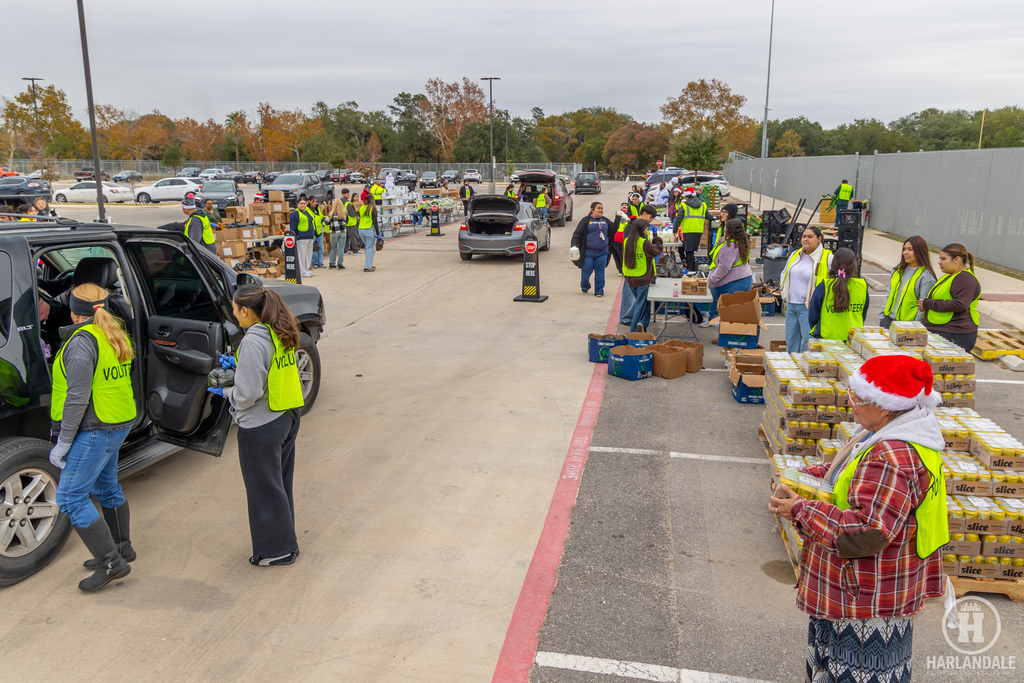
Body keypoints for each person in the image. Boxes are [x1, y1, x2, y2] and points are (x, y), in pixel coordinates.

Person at [770, 354, 946, 683]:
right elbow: (845, 475)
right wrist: (803, 479)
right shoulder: (879, 432)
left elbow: (868, 532)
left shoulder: (891, 456)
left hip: (865, 597)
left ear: (885, 405)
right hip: (868, 589)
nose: (851, 404)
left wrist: (801, 509)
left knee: (857, 672)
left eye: (857, 399)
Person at [49, 283, 137, 591]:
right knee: (106, 485)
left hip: (95, 428)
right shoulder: (113, 333)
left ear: (74, 313)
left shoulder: (80, 344)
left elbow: (76, 398)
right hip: (118, 420)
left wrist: (63, 441)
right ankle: (121, 547)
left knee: (71, 497)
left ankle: (111, 563)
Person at [211, 284, 304, 567]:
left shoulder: (252, 340)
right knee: (278, 485)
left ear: (245, 311)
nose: (233, 313)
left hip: (261, 425)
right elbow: (268, 371)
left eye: (235, 308)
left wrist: (226, 391)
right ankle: (287, 543)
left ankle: (276, 551)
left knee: (263, 490)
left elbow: (248, 394)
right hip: (286, 415)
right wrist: (240, 366)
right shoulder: (280, 329)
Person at [918, 243, 981, 352]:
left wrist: (928, 304)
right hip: (943, 331)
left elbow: (960, 304)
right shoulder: (950, 276)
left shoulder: (965, 279)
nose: (939, 262)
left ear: (957, 259)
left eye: (943, 259)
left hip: (955, 334)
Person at [780, 226, 834, 353]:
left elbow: (834, 281)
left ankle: (803, 368)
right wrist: (783, 289)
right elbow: (784, 272)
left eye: (810, 237)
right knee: (791, 340)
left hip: (809, 308)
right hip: (791, 305)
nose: (806, 239)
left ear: (819, 239)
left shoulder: (827, 257)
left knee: (807, 341)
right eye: (804, 236)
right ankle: (792, 369)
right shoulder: (795, 254)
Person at [809, 247, 869, 340]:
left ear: (834, 264)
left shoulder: (825, 286)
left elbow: (813, 316)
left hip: (826, 337)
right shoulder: (862, 285)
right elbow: (863, 314)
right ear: (854, 265)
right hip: (853, 338)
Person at [880, 236, 937, 328]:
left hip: (909, 325)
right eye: (904, 249)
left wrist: (915, 325)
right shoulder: (898, 270)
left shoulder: (926, 276)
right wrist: (882, 315)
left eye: (910, 249)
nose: (905, 252)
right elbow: (889, 293)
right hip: (888, 320)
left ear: (920, 251)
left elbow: (923, 306)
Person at [705, 218, 754, 327]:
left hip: (731, 282)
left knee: (726, 314)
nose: (724, 229)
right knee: (737, 312)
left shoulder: (729, 247)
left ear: (729, 230)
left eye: (726, 227)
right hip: (745, 279)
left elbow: (724, 267)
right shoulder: (741, 242)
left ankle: (719, 326)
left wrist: (712, 279)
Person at [622, 207, 663, 333]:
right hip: (642, 277)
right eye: (647, 228)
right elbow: (657, 250)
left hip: (630, 278)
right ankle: (634, 331)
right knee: (640, 305)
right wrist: (656, 237)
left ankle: (643, 324)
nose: (647, 230)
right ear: (642, 229)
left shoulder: (627, 241)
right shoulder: (643, 242)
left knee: (644, 303)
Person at [571, 202, 617, 297]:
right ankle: (585, 284)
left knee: (600, 271)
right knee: (586, 272)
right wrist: (574, 245)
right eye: (598, 208)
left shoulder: (606, 221)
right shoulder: (586, 221)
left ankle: (599, 291)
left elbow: (615, 229)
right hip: (588, 253)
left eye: (602, 208)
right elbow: (577, 234)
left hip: (602, 252)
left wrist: (619, 218)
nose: (601, 210)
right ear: (592, 209)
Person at [674, 187, 709, 272]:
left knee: (689, 250)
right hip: (698, 230)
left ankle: (691, 268)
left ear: (687, 197)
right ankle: (691, 267)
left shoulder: (684, 205)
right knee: (691, 250)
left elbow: (678, 218)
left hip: (688, 230)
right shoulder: (703, 205)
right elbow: (708, 216)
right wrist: (716, 219)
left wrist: (674, 230)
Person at [326, 189, 354, 269]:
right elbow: (346, 221)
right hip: (342, 232)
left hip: (334, 232)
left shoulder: (331, 214)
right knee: (341, 249)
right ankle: (340, 264)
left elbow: (325, 222)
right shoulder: (344, 213)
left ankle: (332, 263)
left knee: (333, 248)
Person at [289, 198, 315, 278]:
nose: (303, 205)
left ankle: (306, 269)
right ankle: (302, 271)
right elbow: (293, 226)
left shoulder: (307, 212)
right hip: (301, 237)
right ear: (297, 204)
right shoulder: (295, 213)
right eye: (301, 203)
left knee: (308, 255)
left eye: (304, 203)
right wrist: (293, 236)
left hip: (310, 236)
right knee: (302, 255)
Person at [356, 197, 379, 272]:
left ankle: (369, 263)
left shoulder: (362, 208)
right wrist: (378, 234)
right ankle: (367, 266)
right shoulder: (373, 209)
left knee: (367, 248)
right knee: (370, 248)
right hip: (368, 229)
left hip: (361, 229)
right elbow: (375, 222)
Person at [308, 197, 325, 269]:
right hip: (313, 231)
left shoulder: (317, 208)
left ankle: (320, 262)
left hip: (319, 230)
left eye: (316, 201)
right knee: (314, 248)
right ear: (309, 201)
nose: (315, 203)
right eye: (313, 201)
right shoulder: (307, 210)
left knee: (320, 247)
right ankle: (314, 262)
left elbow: (320, 216)